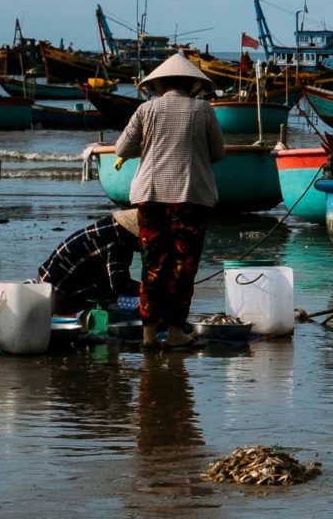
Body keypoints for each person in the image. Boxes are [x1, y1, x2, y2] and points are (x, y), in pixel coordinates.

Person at [113, 54, 225, 349]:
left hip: (150, 196)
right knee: (183, 266)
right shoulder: (203, 111)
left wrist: (151, 146)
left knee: (152, 264)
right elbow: (217, 153)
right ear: (193, 84)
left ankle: (149, 334)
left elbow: (122, 147)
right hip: (191, 197)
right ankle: (176, 332)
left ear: (159, 83)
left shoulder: (146, 110)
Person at [35, 209, 144, 312]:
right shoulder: (119, 242)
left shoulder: (110, 227)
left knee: (109, 285)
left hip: (46, 280)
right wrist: (150, 289)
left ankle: (86, 320)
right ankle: (88, 321)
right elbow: (119, 283)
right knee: (113, 292)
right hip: (56, 293)